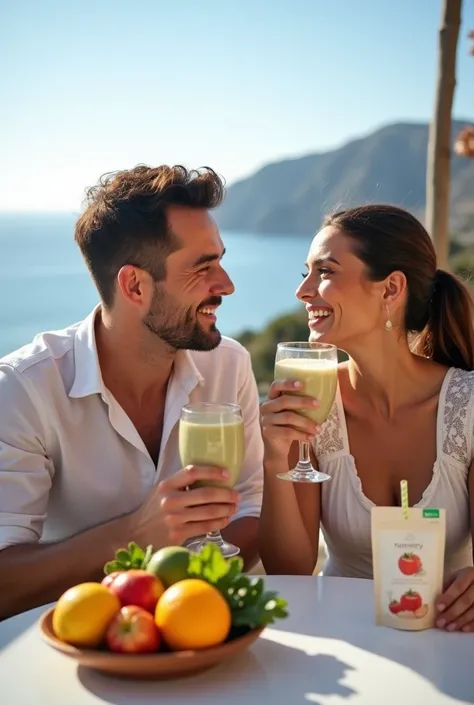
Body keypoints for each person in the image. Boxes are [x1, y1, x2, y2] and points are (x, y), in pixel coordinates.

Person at [0, 165, 263, 619]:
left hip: (207, 632)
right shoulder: (23, 389)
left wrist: (178, 601)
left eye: (220, 260)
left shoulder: (228, 364)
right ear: (135, 285)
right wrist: (136, 534)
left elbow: (252, 507)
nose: (226, 285)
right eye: (203, 267)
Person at [259, 204, 474, 634]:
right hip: (342, 647)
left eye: (325, 271)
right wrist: (273, 458)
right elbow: (291, 570)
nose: (303, 290)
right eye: (306, 272)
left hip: (447, 644)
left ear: (391, 288)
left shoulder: (466, 407)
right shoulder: (312, 402)